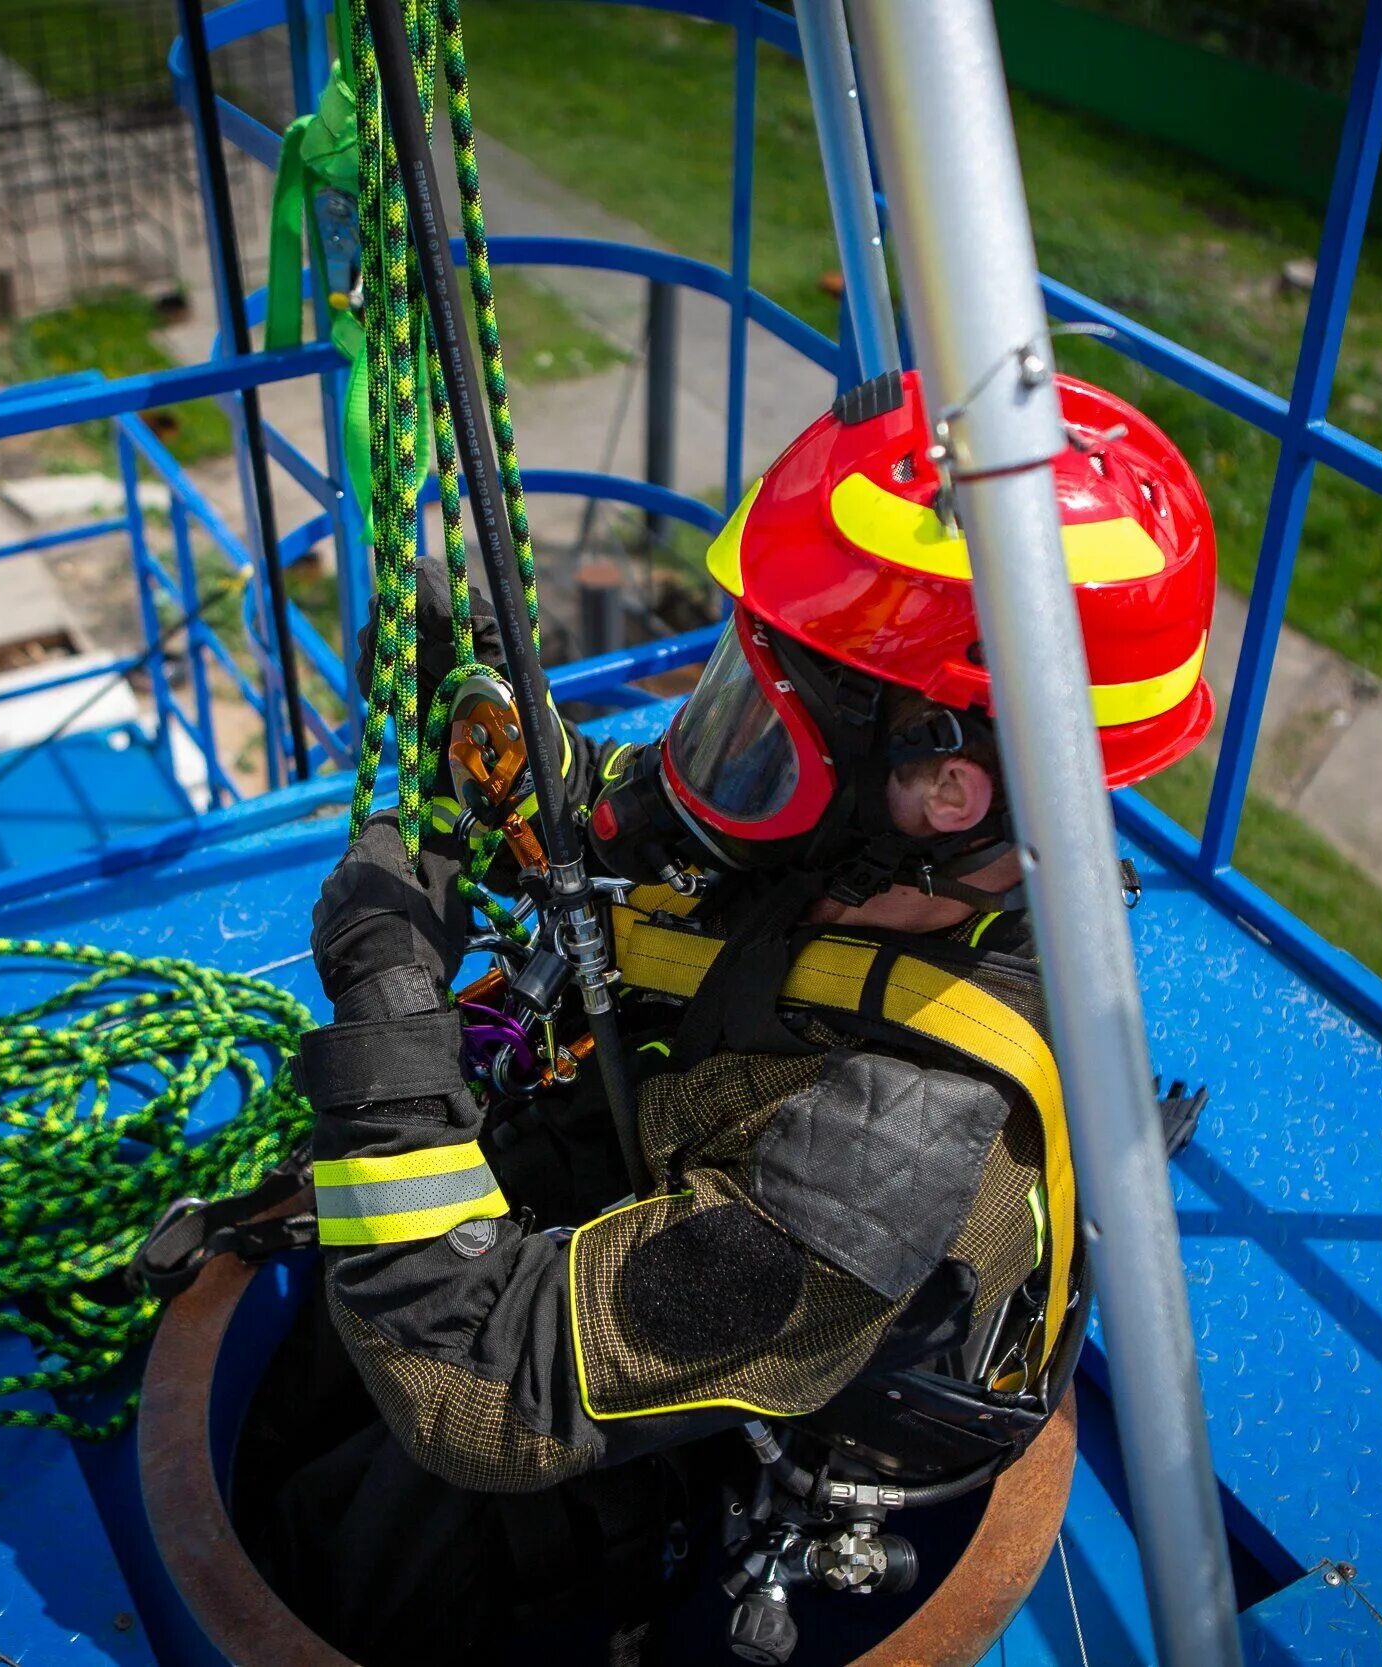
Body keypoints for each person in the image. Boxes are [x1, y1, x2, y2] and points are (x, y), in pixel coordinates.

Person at [247, 369, 1217, 1665]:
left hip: (711, 1413)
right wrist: (518, 752)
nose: (734, 741)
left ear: (944, 785)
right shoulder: (906, 858)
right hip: (692, 1183)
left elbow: (477, 1387)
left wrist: (384, 1008)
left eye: (775, 717)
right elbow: (662, 820)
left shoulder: (898, 1152)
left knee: (372, 1546)